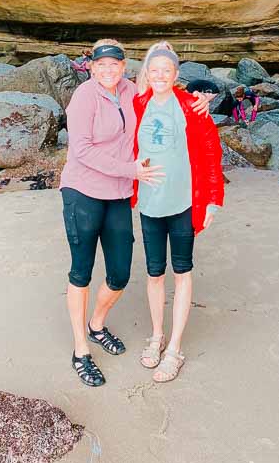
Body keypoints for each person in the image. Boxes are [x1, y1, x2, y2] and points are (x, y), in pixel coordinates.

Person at [59, 39, 210, 388]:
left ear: (126, 66)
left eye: (116, 64)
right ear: (91, 68)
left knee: (119, 275)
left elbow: (165, 89)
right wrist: (132, 170)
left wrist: (199, 99)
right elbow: (80, 150)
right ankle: (81, 350)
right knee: (81, 271)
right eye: (102, 65)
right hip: (82, 191)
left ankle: (96, 325)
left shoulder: (131, 91)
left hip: (118, 193)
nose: (109, 70)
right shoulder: (84, 97)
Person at [133, 47, 224, 383]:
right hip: (149, 204)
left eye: (166, 71)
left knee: (182, 271)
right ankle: (156, 336)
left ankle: (174, 348)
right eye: (154, 71)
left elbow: (212, 153)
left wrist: (213, 199)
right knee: (155, 272)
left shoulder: (190, 106)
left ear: (175, 75)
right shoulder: (138, 103)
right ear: (147, 73)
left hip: (184, 203)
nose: (160, 76)